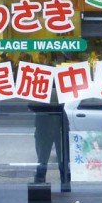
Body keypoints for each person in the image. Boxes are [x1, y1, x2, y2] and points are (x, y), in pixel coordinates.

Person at [31, 55, 71, 191]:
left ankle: (40, 183)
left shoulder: (40, 88)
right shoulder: (60, 86)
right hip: (57, 124)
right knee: (61, 157)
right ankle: (65, 184)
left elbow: (31, 106)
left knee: (43, 157)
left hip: (46, 123)